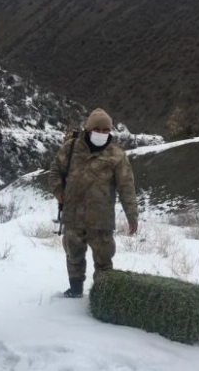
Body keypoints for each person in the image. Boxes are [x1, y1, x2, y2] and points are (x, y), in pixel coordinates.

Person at [49, 108, 139, 298]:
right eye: (97, 129)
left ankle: (101, 295)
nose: (102, 133)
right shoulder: (71, 148)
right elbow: (55, 169)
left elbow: (126, 187)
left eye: (106, 130)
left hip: (101, 219)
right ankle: (75, 290)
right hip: (73, 215)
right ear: (88, 129)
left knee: (104, 259)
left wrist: (132, 215)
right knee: (73, 256)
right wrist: (58, 191)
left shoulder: (117, 155)